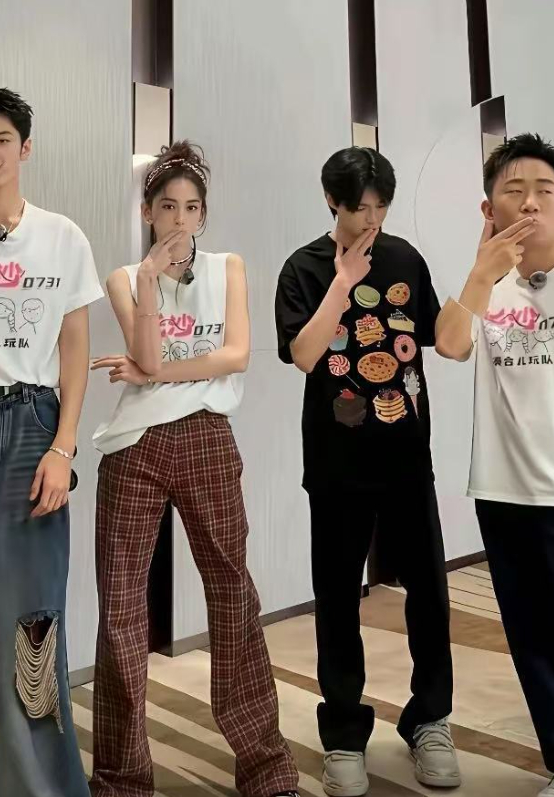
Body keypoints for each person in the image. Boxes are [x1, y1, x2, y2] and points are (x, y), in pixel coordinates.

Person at [90, 141, 299, 797]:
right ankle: (121, 779)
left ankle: (266, 768)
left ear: (203, 214)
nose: (179, 219)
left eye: (190, 208)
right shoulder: (124, 278)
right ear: (147, 212)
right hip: (134, 447)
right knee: (121, 609)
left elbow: (234, 355)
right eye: (167, 207)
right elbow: (148, 355)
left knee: (233, 593)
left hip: (208, 436)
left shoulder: (228, 268)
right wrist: (150, 283)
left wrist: (158, 372)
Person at [275, 146, 460, 795]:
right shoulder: (303, 267)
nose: (372, 220)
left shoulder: (406, 259)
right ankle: (344, 735)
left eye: (381, 207)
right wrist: (342, 282)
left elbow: (442, 335)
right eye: (360, 208)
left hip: (408, 460)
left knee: (429, 598)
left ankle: (429, 719)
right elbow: (304, 355)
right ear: (333, 201)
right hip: (336, 466)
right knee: (336, 602)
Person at [0, 87, 103, 796]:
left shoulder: (61, 236)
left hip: (30, 424)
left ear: (24, 148)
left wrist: (64, 446)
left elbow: (75, 346)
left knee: (32, 623)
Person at [436, 133, 554, 797]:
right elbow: (449, 344)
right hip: (505, 493)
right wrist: (481, 272)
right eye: (514, 191)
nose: (530, 203)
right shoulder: (487, 291)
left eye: (544, 190)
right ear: (490, 210)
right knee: (532, 641)